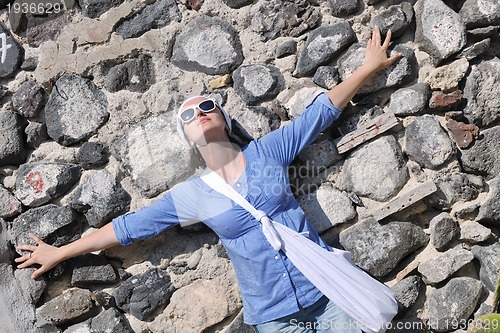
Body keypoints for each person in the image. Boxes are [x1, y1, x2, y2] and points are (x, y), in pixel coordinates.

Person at [16, 27, 402, 333]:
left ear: (224, 120)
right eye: (189, 114)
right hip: (273, 315)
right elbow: (129, 227)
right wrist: (60, 252)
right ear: (186, 137)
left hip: (326, 289)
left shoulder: (267, 153)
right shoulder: (193, 195)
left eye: (206, 106)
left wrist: (368, 67)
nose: (199, 113)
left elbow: (318, 115)